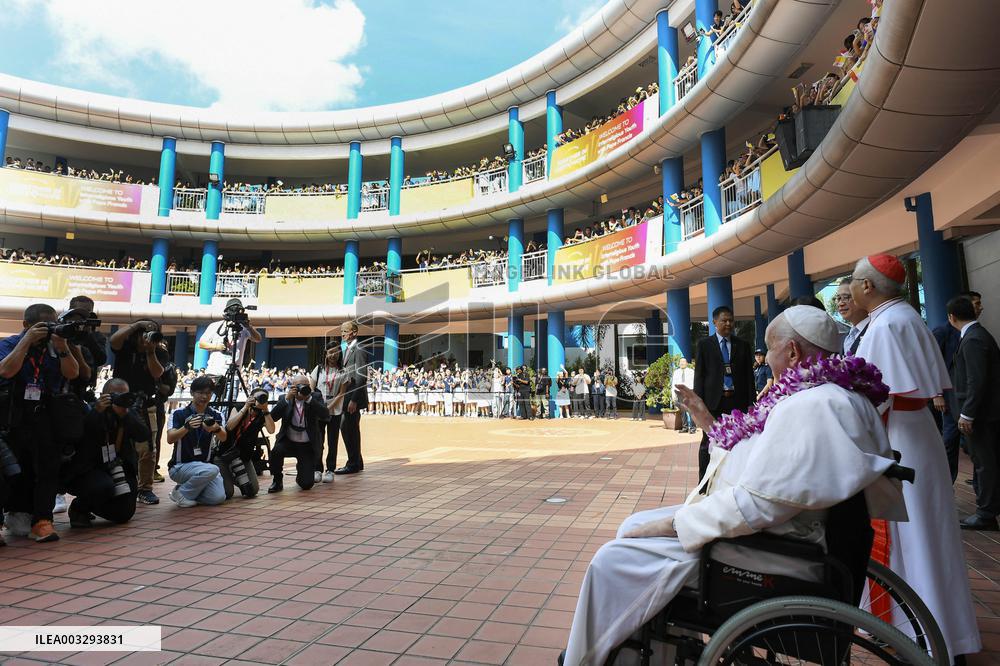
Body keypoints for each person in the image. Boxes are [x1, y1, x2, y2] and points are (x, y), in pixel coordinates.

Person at [562, 307, 906, 666]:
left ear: (792, 352)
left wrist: (679, 523)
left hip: (771, 546)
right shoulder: (828, 396)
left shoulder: (812, 405)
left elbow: (759, 503)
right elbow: (762, 463)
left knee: (609, 560)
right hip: (781, 531)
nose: (765, 357)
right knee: (632, 528)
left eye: (769, 348)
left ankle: (584, 660)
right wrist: (709, 422)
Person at [851, 254, 981, 658]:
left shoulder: (888, 324)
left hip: (900, 435)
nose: (851, 288)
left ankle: (925, 634)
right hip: (912, 433)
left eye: (854, 281)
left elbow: (880, 396)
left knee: (917, 537)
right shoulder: (900, 316)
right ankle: (929, 630)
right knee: (922, 537)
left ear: (868, 287)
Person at [0, 304, 80, 542]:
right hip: (12, 415)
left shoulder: (54, 347)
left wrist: (63, 346)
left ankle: (42, 521)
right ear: (26, 325)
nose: (48, 329)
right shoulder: (9, 343)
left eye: (52, 323)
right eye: (42, 325)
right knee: (7, 472)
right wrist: (26, 342)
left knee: (48, 468)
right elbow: (5, 371)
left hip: (45, 414)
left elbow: (72, 373)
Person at [64, 378, 148, 527]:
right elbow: (80, 434)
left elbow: (143, 435)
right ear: (103, 395)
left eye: (124, 395)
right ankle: (79, 507)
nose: (120, 398)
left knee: (124, 513)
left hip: (119, 468)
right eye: (115, 395)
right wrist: (97, 412)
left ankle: (94, 504)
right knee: (102, 487)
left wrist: (125, 415)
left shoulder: (128, 412)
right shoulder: (91, 409)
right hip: (90, 469)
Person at [947, 295, 1000, 529]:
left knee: (984, 462)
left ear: (951, 317)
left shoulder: (973, 339)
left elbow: (976, 380)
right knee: (985, 461)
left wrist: (967, 414)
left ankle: (986, 513)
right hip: (985, 412)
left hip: (982, 414)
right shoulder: (976, 335)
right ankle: (987, 506)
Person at [110, 319, 169, 506]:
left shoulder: (159, 351)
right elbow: (113, 341)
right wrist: (136, 326)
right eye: (144, 333)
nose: (148, 337)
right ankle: (116, 484)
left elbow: (157, 373)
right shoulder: (125, 346)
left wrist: (150, 351)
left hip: (146, 403)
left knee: (148, 449)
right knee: (115, 444)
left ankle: (145, 489)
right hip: (119, 403)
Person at [693, 306, 754, 479]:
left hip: (737, 403)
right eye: (724, 320)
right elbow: (700, 376)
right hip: (713, 404)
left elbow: (749, 377)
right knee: (708, 443)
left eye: (731, 320)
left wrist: (751, 404)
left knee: (738, 442)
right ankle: (704, 482)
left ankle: (732, 478)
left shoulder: (742, 345)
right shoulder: (704, 345)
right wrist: (699, 406)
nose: (728, 324)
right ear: (714, 322)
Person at [933, 290, 980, 483]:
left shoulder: (975, 332)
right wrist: (937, 393)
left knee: (976, 443)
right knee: (950, 441)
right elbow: (933, 362)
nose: (979, 307)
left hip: (970, 396)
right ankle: (947, 481)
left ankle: (980, 481)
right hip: (951, 397)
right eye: (975, 304)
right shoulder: (942, 332)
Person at [165, 375, 228, 507]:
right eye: (200, 393)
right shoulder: (179, 413)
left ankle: (182, 491)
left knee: (218, 498)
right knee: (213, 469)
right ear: (192, 393)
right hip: (180, 467)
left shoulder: (216, 415)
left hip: (204, 467)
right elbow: (170, 439)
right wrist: (186, 427)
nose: (204, 397)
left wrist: (215, 429)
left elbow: (224, 438)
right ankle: (183, 492)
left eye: (208, 393)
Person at [267, 375, 331, 492]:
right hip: (288, 442)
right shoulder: (285, 398)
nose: (303, 388)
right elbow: (273, 417)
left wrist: (309, 399)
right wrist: (286, 399)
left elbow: (326, 415)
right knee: (276, 451)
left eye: (306, 386)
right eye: (300, 386)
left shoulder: (315, 397)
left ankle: (302, 470)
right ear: (293, 387)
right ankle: (277, 479)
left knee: (306, 485)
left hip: (307, 446)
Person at [196, 298, 262, 403]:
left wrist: (248, 326)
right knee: (211, 403)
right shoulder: (215, 326)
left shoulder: (244, 328)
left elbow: (258, 339)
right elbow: (201, 344)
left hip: (235, 374)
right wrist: (217, 347)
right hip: (215, 372)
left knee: (230, 405)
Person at [221, 388, 274, 499]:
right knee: (228, 492)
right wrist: (246, 407)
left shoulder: (262, 414)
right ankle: (227, 476)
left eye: (263, 398)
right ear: (250, 398)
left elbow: (271, 430)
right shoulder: (239, 407)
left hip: (244, 455)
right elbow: (229, 426)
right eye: (257, 398)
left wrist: (266, 410)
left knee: (253, 490)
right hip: (225, 454)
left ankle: (235, 476)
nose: (260, 400)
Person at [309, 343, 348, 482]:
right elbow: (312, 390)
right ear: (326, 353)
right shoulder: (318, 369)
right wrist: (320, 407)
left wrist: (330, 406)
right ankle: (317, 469)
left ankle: (330, 470)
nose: (334, 355)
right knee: (318, 441)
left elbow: (342, 393)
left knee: (333, 441)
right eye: (331, 352)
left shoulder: (343, 372)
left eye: (336, 352)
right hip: (319, 410)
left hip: (335, 411)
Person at [338, 320, 368, 474]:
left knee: (349, 429)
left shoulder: (359, 349)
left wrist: (354, 400)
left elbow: (361, 377)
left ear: (354, 332)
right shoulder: (347, 349)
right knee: (350, 429)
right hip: (347, 397)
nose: (343, 333)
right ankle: (357, 461)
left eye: (346, 331)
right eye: (342, 331)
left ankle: (353, 463)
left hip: (352, 398)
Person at [837, 277, 870, 356]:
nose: (840, 304)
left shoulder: (875, 328)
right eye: (838, 298)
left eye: (846, 297)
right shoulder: (846, 337)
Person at [671, 359, 695, 433]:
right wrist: (673, 394)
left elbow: (695, 382)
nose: (682, 363)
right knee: (682, 411)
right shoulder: (676, 372)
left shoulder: (691, 371)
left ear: (687, 363)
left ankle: (693, 428)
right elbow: (673, 383)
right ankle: (685, 427)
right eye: (680, 362)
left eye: (683, 362)